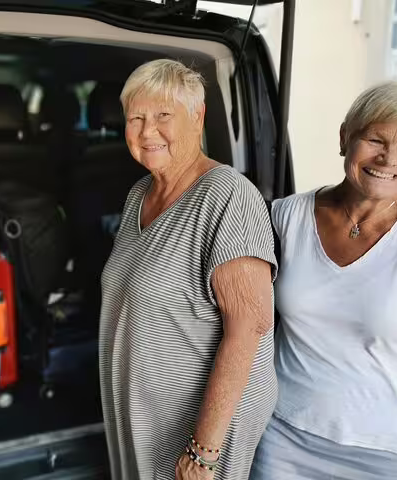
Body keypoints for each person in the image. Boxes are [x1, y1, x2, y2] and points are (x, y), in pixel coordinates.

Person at [250, 80, 397, 479]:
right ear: (346, 137)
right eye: (375, 139)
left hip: (392, 451)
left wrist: (388, 368)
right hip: (285, 435)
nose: (388, 158)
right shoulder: (285, 216)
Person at [99, 59, 279, 480]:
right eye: (135, 118)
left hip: (197, 430)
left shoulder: (227, 196)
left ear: (197, 118)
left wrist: (203, 453)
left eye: (163, 115)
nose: (147, 131)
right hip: (147, 415)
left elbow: (249, 327)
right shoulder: (140, 193)